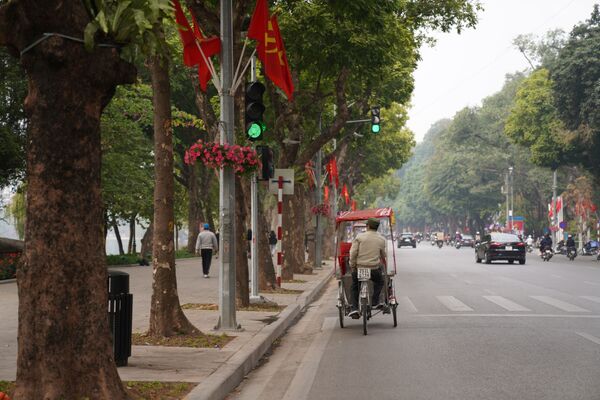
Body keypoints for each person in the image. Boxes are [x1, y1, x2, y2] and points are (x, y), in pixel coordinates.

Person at [348, 218, 386, 319]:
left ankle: (355, 308)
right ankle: (374, 302)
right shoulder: (381, 239)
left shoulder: (359, 237)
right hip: (374, 269)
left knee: (355, 286)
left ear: (368, 226)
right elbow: (384, 255)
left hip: (360, 268)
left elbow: (353, 253)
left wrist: (352, 266)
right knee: (379, 282)